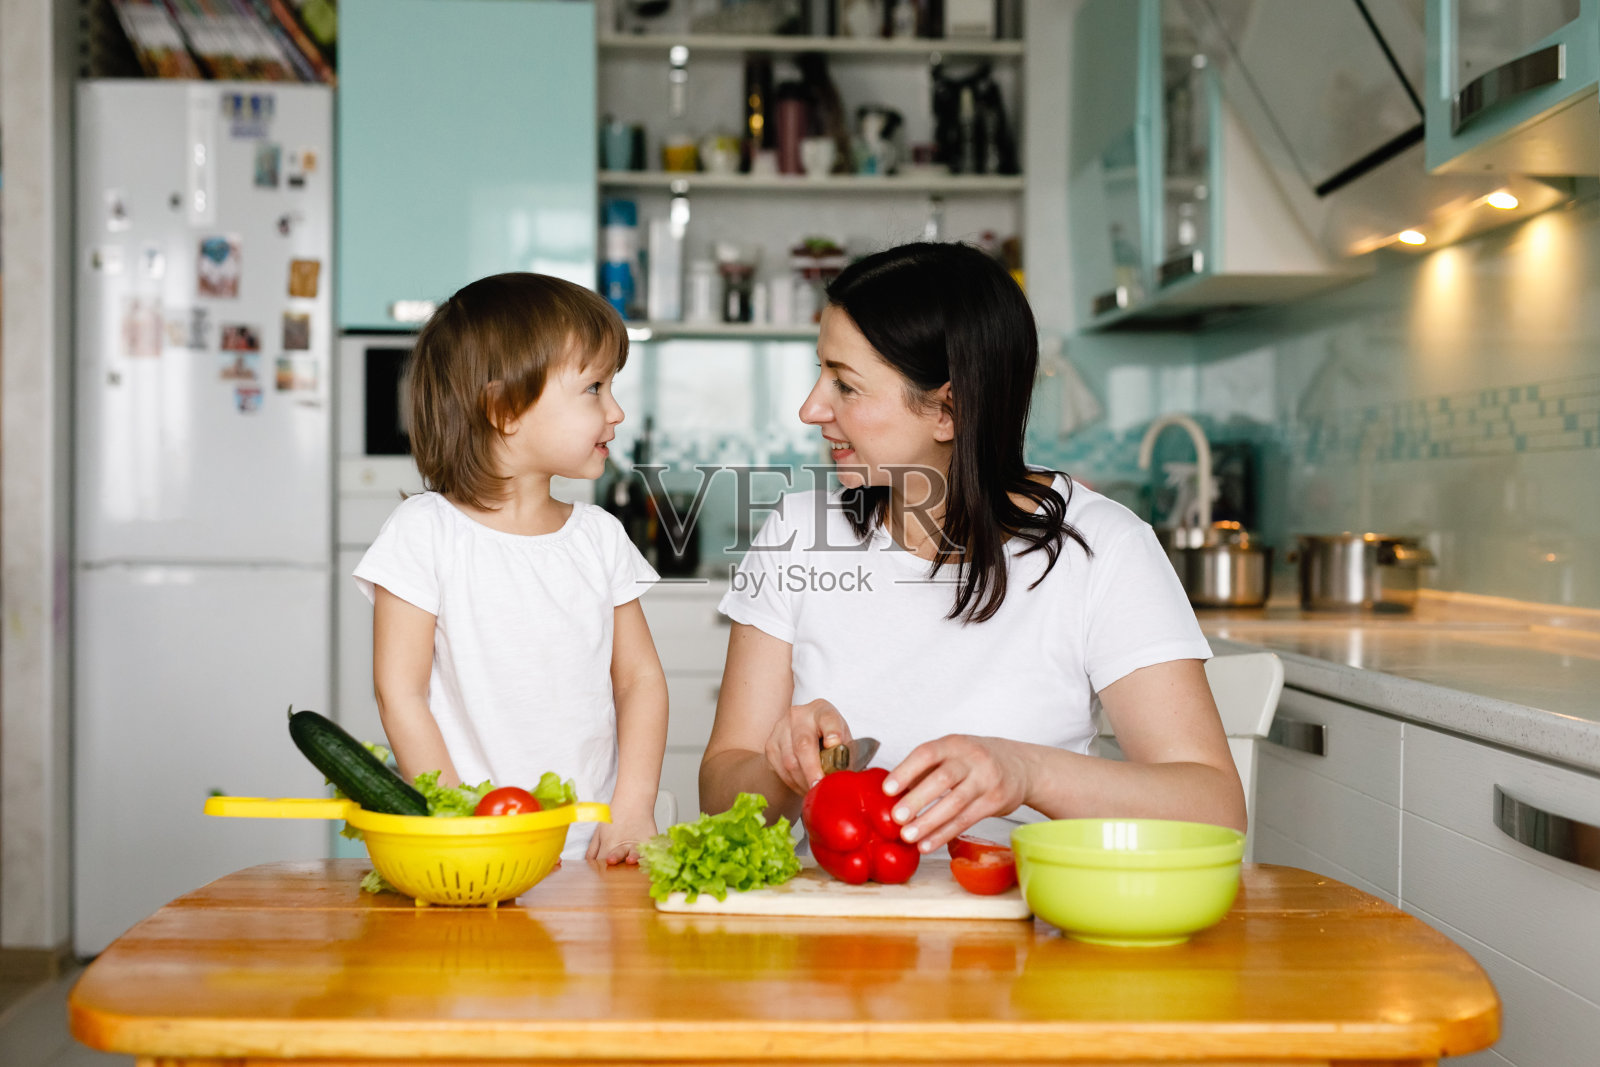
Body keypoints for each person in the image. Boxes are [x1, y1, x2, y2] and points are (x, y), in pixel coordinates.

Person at [702, 242, 1245, 853]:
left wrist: (1027, 772)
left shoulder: (1104, 547)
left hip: (1027, 907)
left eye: (845, 385)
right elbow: (721, 794)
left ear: (948, 410)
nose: (810, 408)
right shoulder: (798, 533)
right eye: (821, 373)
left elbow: (1216, 813)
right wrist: (781, 766)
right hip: (831, 906)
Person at [354, 273, 667, 865]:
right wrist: (457, 822)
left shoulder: (598, 536)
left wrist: (633, 805)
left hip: (590, 851)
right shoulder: (425, 532)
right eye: (594, 388)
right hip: (471, 853)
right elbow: (400, 694)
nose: (616, 411)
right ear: (504, 409)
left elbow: (640, 681)